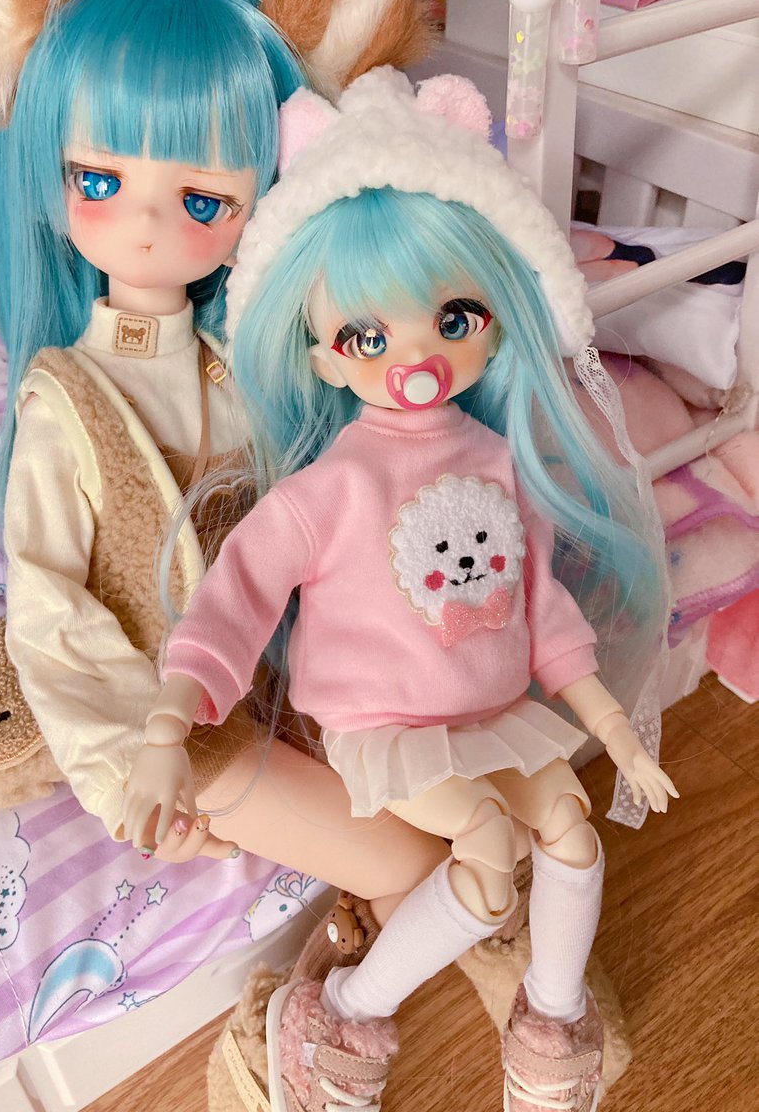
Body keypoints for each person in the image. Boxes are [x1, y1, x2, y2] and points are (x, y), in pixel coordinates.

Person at [0, 0, 449, 1063]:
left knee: (456, 820)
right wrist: (122, 776)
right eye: (100, 180)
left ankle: (332, 971)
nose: (147, 225)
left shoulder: (237, 365)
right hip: (178, 722)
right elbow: (51, 611)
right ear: (52, 179)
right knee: (417, 864)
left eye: (201, 202)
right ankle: (326, 1025)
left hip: (284, 677)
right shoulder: (65, 401)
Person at [125, 68, 678, 1112]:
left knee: (570, 821)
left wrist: (615, 726)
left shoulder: (500, 462)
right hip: (387, 726)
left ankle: (551, 1022)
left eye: (452, 317)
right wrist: (168, 721)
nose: (414, 357)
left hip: (497, 712)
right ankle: (349, 1006)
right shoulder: (328, 490)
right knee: (489, 845)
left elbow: (542, 612)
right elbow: (236, 598)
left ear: (496, 321)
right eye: (369, 338)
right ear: (328, 360)